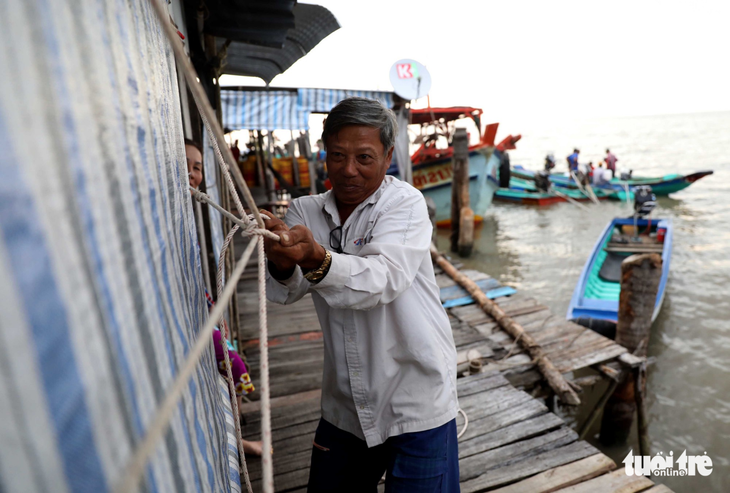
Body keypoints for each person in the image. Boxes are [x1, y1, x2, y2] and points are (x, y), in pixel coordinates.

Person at [263, 97, 459, 492]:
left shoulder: (405, 203)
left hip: (417, 398)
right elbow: (288, 292)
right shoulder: (304, 211)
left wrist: (316, 255)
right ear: (324, 154)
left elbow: (383, 278)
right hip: (344, 404)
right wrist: (282, 258)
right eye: (337, 155)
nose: (348, 170)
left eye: (364, 158)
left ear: (388, 157)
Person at [185, 139, 264, 458]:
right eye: (185, 164)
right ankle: (236, 441)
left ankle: (234, 435)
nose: (192, 173)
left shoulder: (186, 207)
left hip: (201, 303)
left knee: (232, 363)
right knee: (233, 366)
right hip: (194, 309)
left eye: (197, 167)